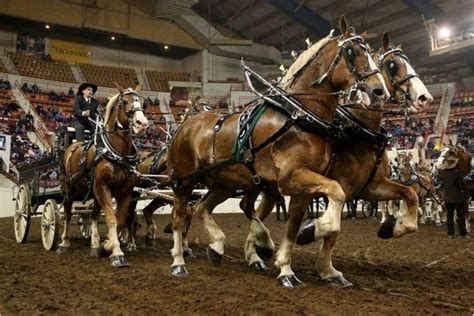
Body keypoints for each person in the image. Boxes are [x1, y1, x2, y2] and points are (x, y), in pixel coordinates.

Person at [438, 162, 469, 239]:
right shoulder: (457, 172)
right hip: (457, 197)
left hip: (448, 198)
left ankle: (450, 233)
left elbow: (441, 185)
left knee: (449, 216)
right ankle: (462, 233)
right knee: (460, 216)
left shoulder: (442, 173)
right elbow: (462, 185)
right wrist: (466, 194)